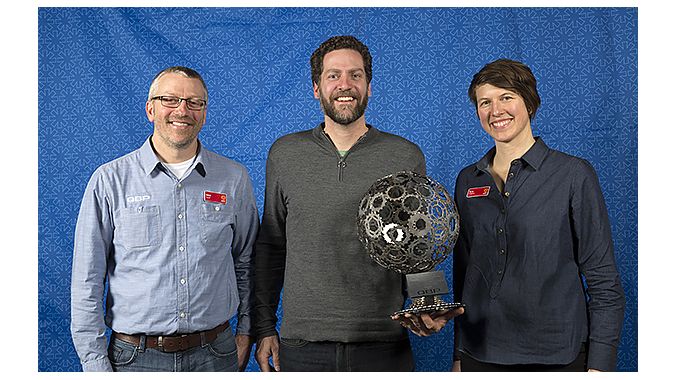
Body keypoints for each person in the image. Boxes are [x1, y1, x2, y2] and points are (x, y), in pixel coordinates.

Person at [252, 35, 463, 372]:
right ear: (316, 88)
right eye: (333, 75)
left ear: (369, 86)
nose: (345, 84)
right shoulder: (285, 153)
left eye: (356, 75)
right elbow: (271, 245)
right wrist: (263, 327)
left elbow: (421, 246)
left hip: (384, 342)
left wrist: (428, 305)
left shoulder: (404, 155)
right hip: (303, 345)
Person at [70, 66, 258, 372]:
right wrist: (94, 364)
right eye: (169, 99)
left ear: (204, 113)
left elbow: (247, 262)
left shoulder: (234, 179)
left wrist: (245, 332)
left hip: (215, 354)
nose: (182, 110)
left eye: (194, 102)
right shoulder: (109, 181)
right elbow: (86, 279)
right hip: (134, 359)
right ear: (150, 109)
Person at [452, 58, 626, 372]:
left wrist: (600, 365)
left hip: (557, 354)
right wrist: (458, 356)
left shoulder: (573, 174)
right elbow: (465, 276)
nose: (496, 111)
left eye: (507, 98)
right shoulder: (468, 180)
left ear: (529, 103)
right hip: (479, 354)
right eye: (485, 102)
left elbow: (604, 281)